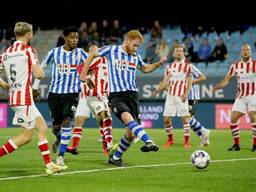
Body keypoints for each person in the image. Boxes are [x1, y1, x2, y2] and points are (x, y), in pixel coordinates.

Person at [80, 30, 167, 167]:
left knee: (131, 134)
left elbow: (144, 68)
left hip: (132, 96)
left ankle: (115, 157)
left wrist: (157, 64)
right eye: (135, 45)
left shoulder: (135, 55)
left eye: (138, 46)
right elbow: (93, 54)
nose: (136, 48)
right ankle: (148, 141)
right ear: (127, 41)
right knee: (128, 118)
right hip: (117, 95)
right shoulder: (111, 50)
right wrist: (84, 75)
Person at [0, 22, 66, 175]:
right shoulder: (29, 50)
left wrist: (4, 85)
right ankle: (49, 165)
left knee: (42, 127)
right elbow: (39, 74)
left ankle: (49, 164)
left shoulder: (6, 52)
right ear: (29, 35)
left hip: (15, 97)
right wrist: (38, 71)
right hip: (25, 98)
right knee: (26, 136)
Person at [32, 26, 88, 166]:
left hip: (72, 93)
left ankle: (60, 156)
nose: (75, 40)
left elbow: (92, 65)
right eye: (72, 37)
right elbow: (41, 68)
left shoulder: (81, 53)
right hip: (55, 94)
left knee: (67, 121)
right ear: (65, 38)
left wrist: (89, 76)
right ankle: (59, 139)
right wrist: (34, 87)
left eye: (77, 37)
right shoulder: (54, 53)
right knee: (56, 127)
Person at [67, 56, 117, 156]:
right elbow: (80, 68)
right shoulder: (96, 60)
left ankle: (106, 146)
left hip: (99, 96)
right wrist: (87, 77)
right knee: (79, 120)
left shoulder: (112, 66)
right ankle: (74, 146)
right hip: (85, 96)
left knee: (101, 120)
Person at [213, 44, 256, 152]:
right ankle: (236, 145)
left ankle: (255, 145)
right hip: (240, 96)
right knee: (233, 119)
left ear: (251, 52)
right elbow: (228, 78)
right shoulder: (235, 65)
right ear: (241, 52)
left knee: (253, 117)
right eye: (243, 50)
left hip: (253, 95)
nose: (246, 51)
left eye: (248, 50)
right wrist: (220, 85)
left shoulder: (255, 64)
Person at [153, 45, 192, 149]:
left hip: (181, 95)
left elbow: (189, 81)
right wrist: (158, 89)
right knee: (166, 119)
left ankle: (187, 142)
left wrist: (186, 93)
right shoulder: (169, 67)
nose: (179, 52)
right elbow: (165, 81)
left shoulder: (187, 66)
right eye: (177, 51)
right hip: (170, 95)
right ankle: (170, 140)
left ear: (183, 53)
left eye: (180, 51)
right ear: (174, 53)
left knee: (185, 119)